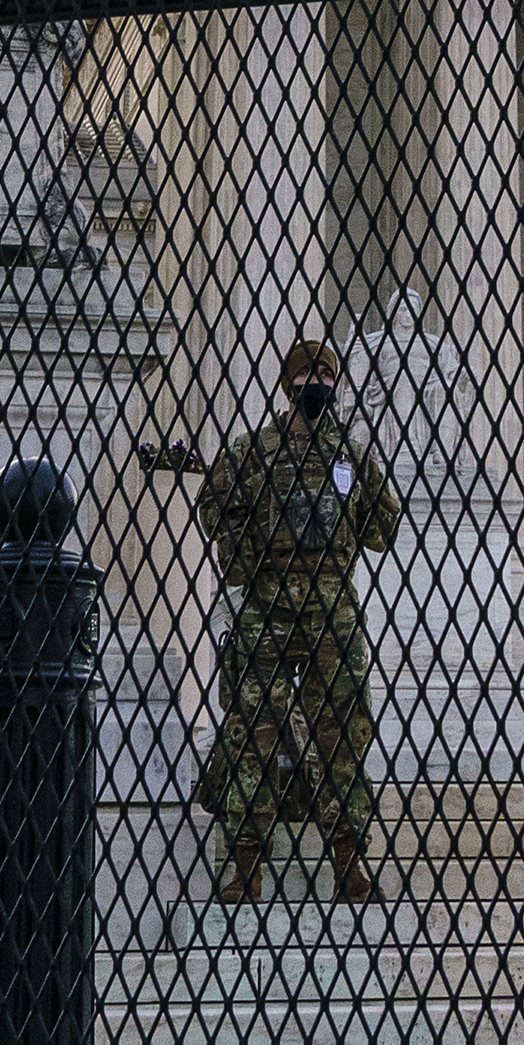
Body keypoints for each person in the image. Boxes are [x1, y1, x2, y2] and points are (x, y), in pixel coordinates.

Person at [192, 336, 403, 902]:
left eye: (327, 377)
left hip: (333, 615)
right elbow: (212, 505)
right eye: (309, 377)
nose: (318, 386)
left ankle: (348, 865)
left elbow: (386, 527)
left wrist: (354, 520)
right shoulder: (254, 450)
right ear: (289, 385)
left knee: (343, 740)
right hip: (267, 612)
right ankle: (246, 869)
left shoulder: (354, 457)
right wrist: (241, 545)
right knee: (251, 740)